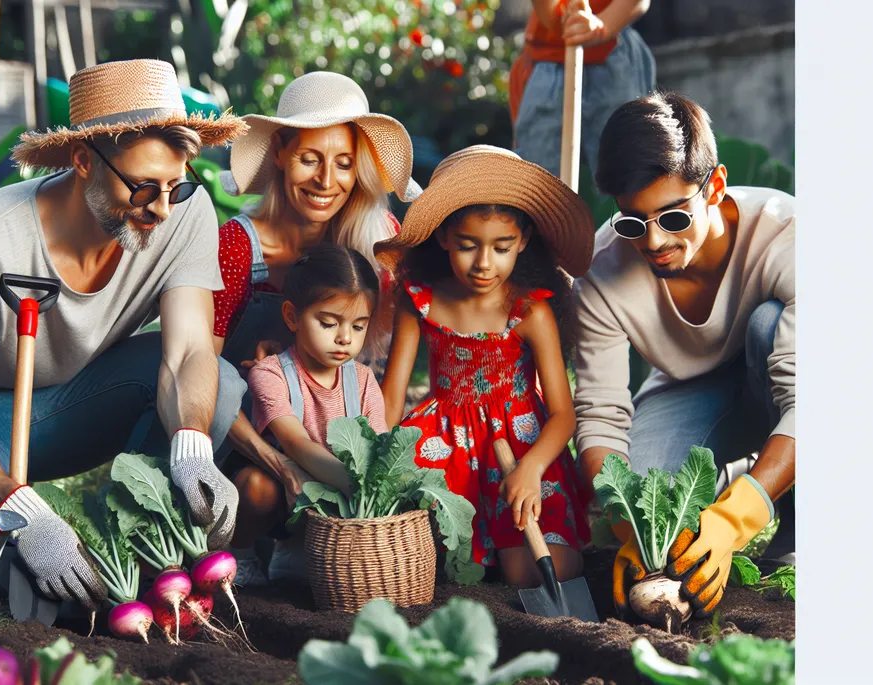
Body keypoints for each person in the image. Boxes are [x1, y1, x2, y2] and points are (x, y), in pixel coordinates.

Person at [0, 59, 249, 611]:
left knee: (218, 384)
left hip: (74, 401)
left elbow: (191, 351)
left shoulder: (181, 209)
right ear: (83, 160)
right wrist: (22, 514)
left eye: (175, 187)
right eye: (142, 187)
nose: (159, 207)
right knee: (41, 589)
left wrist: (192, 447)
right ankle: (39, 540)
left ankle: (141, 556)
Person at [572, 91, 795, 619]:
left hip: (777, 369)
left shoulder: (787, 233)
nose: (652, 242)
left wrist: (735, 520)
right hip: (686, 387)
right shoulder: (602, 275)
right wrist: (632, 530)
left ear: (714, 187)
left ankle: (795, 520)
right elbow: (600, 420)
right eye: (632, 222)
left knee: (765, 326)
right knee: (648, 494)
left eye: (672, 218)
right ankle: (720, 480)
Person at [213, 70, 420, 583]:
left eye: (344, 163)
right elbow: (200, 371)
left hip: (338, 430)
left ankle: (309, 541)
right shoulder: (240, 247)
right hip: (245, 439)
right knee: (259, 493)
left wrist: (377, 456)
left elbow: (388, 366)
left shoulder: (379, 239)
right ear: (280, 151)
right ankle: (238, 540)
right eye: (310, 159)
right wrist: (283, 465)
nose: (327, 181)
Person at [375, 145, 597, 586]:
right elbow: (391, 401)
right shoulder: (419, 299)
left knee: (531, 571)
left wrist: (532, 469)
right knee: (416, 554)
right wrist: (381, 467)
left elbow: (563, 415)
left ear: (524, 241)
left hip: (522, 444)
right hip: (443, 441)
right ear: (442, 238)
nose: (483, 263)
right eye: (467, 245)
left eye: (502, 247)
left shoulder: (531, 311)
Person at [237, 244, 390, 581]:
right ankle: (243, 554)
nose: (345, 338)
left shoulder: (363, 380)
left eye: (359, 326)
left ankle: (310, 551)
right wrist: (359, 484)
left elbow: (379, 443)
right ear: (292, 316)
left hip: (341, 507)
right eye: (328, 323)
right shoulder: (271, 373)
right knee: (254, 487)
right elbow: (296, 443)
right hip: (289, 495)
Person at [508, 0, 655, 197]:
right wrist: (564, 16)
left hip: (615, 53)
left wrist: (602, 26)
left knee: (628, 171)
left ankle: (630, 223)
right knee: (539, 187)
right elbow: (551, 17)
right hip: (548, 62)